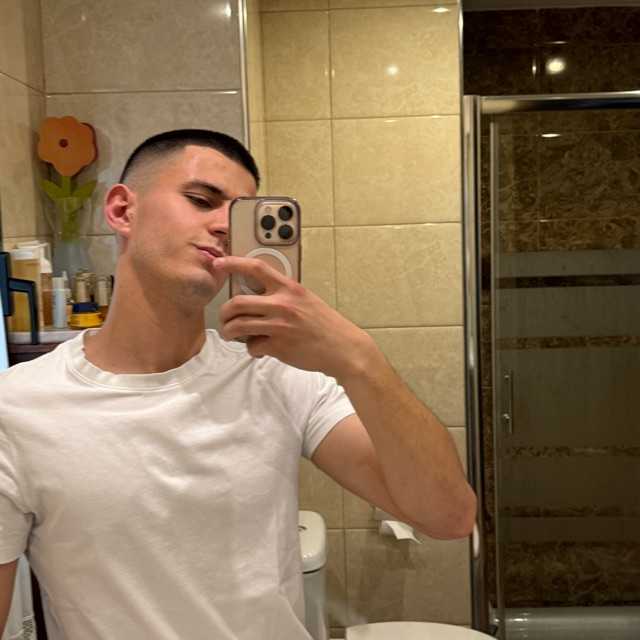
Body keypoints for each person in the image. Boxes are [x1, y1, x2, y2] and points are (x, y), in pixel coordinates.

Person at [0, 129, 476, 639]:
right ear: (122, 210)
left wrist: (359, 359)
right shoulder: (19, 409)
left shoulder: (277, 376)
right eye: (201, 199)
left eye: (242, 214)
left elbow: (448, 516)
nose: (225, 225)